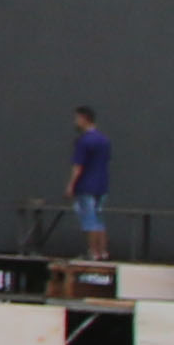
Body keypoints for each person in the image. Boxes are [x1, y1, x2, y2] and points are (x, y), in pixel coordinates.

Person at [67, 104, 114, 267]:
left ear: (83, 119)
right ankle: (103, 252)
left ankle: (93, 252)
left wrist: (71, 185)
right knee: (100, 220)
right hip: (102, 185)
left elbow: (78, 166)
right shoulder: (104, 140)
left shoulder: (84, 141)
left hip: (86, 185)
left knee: (89, 220)